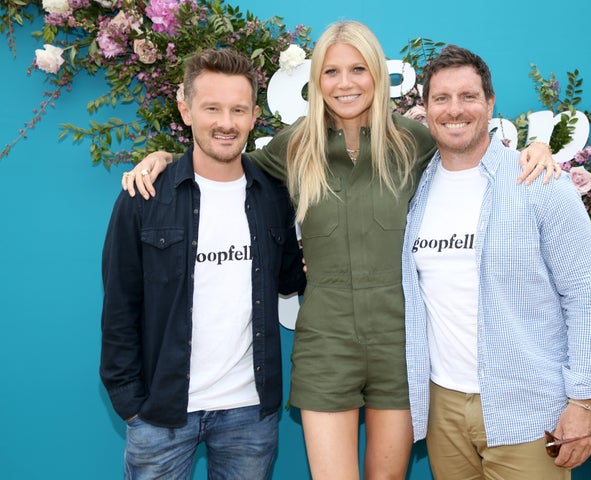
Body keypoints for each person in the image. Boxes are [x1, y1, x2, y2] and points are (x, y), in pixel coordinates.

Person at [121, 22, 558, 480]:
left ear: (376, 74)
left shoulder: (414, 139)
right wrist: (165, 159)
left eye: (357, 69)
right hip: (326, 341)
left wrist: (536, 148)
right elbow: (223, 161)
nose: (345, 83)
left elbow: (472, 153)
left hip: (401, 341)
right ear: (316, 80)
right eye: (331, 71)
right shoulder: (297, 144)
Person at [402, 44, 591, 479]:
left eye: (468, 97)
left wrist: (583, 403)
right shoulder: (413, 188)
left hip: (528, 407)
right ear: (424, 108)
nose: (454, 110)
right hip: (442, 407)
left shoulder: (540, 182)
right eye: (441, 99)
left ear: (490, 103)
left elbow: (586, 298)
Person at [100, 48, 306, 479]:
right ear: (186, 108)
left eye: (237, 109)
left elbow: (290, 276)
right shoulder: (145, 197)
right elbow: (120, 304)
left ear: (254, 116)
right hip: (161, 413)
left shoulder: (272, 196)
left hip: (250, 412)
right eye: (212, 108)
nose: (226, 123)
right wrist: (130, 404)